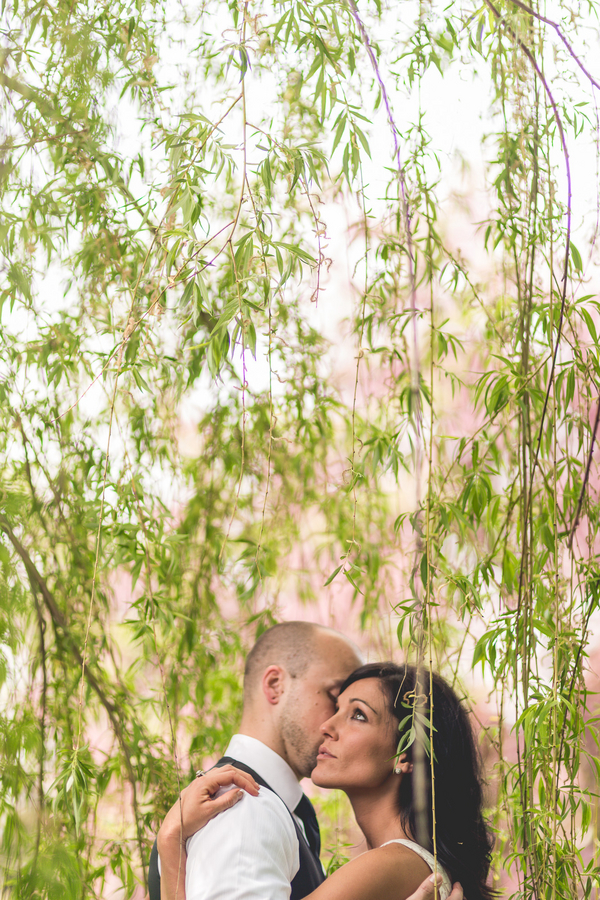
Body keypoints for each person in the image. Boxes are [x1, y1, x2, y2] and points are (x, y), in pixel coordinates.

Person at [156, 661, 495, 900]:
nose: (327, 726)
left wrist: (171, 841)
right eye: (336, 708)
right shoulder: (411, 864)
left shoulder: (392, 864)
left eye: (358, 715)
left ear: (406, 755)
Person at [149, 621, 363, 900]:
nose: (339, 724)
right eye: (335, 699)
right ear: (275, 685)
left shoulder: (266, 807)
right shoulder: (244, 807)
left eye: (356, 713)